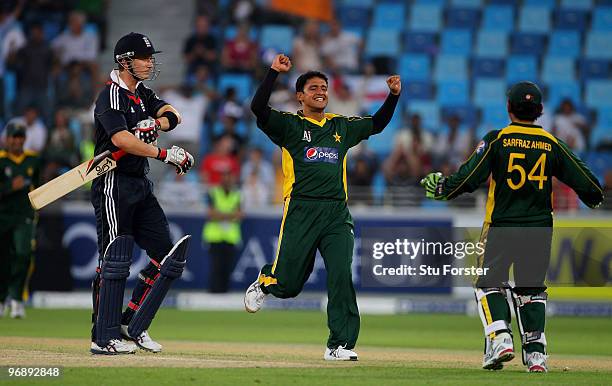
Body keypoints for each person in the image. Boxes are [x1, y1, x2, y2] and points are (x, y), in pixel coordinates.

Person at [420, 82, 603, 372]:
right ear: (540, 111)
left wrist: (444, 188)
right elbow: (590, 183)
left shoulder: (498, 139)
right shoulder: (552, 144)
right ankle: (536, 355)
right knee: (531, 290)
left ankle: (500, 337)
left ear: (508, 108)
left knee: (487, 283)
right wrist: (595, 198)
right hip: (539, 229)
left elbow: (469, 178)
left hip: (502, 225)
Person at [244, 54, 401, 361]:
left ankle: (340, 344)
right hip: (301, 210)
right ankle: (266, 280)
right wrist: (273, 73)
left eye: (325, 87)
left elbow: (377, 124)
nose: (321, 91)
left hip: (336, 214)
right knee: (288, 286)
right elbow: (257, 108)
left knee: (341, 275)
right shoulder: (289, 125)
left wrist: (393, 97)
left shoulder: (340, 126)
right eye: (313, 87)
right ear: (299, 96)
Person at [90, 32, 195, 355]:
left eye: (151, 57)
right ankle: (103, 336)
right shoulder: (110, 96)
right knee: (114, 259)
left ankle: (132, 324)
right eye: (144, 58)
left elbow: (174, 114)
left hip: (139, 183)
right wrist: (164, 155)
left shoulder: (142, 94)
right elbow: (121, 140)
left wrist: (156, 124)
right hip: (112, 182)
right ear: (124, 61)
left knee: (166, 255)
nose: (150, 63)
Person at [0, 121, 40, 319]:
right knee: (3, 259)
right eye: (13, 137)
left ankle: (16, 299)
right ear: (7, 139)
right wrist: (10, 187)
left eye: (20, 137)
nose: (16, 141)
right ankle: (1, 299)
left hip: (24, 216)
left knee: (23, 255)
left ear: (24, 139)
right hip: (2, 217)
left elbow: (40, 186)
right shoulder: (1, 160)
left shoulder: (33, 160)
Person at [203, 170, 243, 293]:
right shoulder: (213, 192)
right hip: (214, 236)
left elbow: (240, 215)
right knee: (216, 266)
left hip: (230, 236)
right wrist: (230, 216)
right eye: (225, 177)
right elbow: (210, 214)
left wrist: (220, 215)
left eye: (229, 177)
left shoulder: (237, 194)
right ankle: (214, 292)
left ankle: (224, 292)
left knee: (227, 267)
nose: (227, 180)